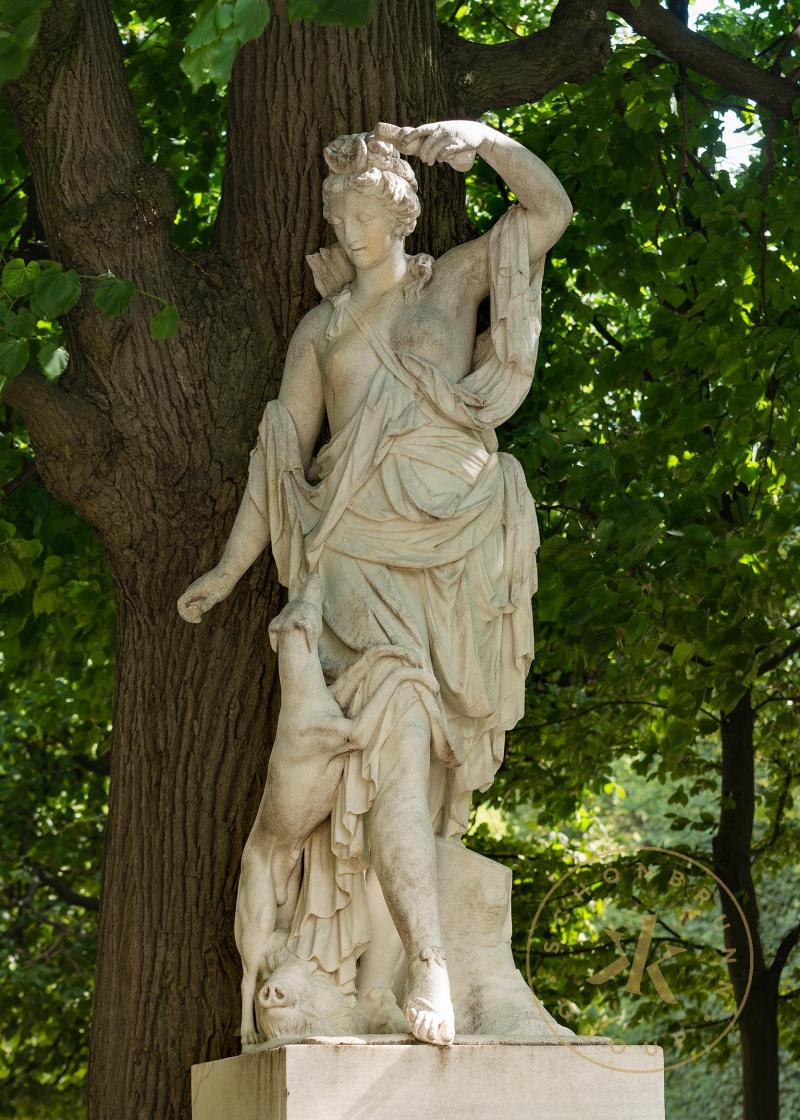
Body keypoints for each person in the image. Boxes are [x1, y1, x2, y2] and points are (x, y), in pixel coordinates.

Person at [178, 119, 572, 1046]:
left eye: (364, 209)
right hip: (352, 552)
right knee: (392, 730)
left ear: (399, 213)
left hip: (458, 547)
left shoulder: (458, 284)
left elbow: (548, 209)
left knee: (437, 787)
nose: (349, 226)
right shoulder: (320, 330)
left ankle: (400, 958)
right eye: (339, 212)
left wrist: (490, 142)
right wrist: (232, 568)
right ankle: (427, 963)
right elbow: (281, 456)